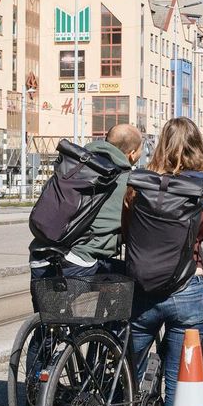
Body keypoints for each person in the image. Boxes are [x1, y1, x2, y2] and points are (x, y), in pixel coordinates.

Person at [126, 117, 203, 406]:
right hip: (186, 289)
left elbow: (127, 232)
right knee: (177, 375)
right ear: (197, 146)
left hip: (142, 289)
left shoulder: (139, 184)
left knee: (130, 365)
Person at [28, 123, 143, 288]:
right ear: (132, 154)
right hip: (79, 265)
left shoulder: (73, 165)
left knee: (49, 313)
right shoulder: (127, 182)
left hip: (39, 258)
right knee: (137, 281)